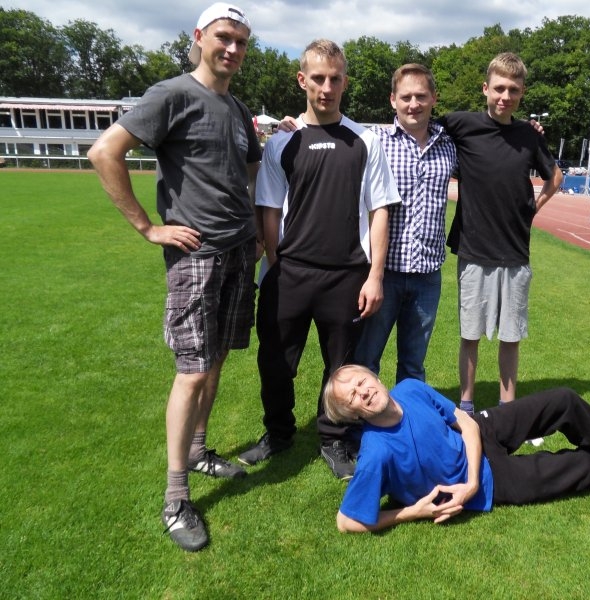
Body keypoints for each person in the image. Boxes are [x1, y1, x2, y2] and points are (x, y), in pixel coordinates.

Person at [87, 3, 261, 552]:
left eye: (241, 41)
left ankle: (199, 449)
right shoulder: (172, 94)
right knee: (191, 371)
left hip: (239, 251)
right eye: (224, 37)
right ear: (200, 36)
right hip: (196, 255)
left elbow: (248, 170)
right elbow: (104, 152)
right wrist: (148, 227)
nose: (232, 48)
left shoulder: (236, 108)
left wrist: (255, 232)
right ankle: (176, 497)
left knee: (217, 358)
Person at [239, 39, 401, 480]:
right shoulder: (282, 143)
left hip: (347, 277)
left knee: (341, 370)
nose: (326, 87)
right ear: (302, 80)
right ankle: (278, 433)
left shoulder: (365, 140)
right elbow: (269, 208)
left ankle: (333, 438)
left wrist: (375, 276)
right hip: (289, 273)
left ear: (345, 82)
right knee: (275, 362)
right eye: (318, 78)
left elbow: (380, 210)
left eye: (334, 79)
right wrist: (277, 267)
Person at [322, 364, 590, 533]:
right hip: (488, 482)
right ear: (353, 414)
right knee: (581, 470)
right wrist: (413, 512)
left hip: (481, 434)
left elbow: (464, 423)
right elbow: (346, 521)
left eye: (361, 381)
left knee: (563, 400)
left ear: (375, 377)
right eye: (352, 396)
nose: (363, 392)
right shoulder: (376, 453)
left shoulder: (410, 389)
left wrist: (471, 479)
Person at [437, 53, 563, 416]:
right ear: (485, 88)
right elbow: (416, 121)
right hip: (474, 249)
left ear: (522, 93)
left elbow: (555, 176)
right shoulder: (461, 124)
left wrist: (534, 207)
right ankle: (467, 405)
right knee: (470, 335)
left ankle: (508, 409)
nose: (505, 96)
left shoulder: (528, 135)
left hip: (515, 251)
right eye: (499, 88)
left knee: (510, 336)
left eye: (513, 90)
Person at [352, 64, 458, 384]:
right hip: (383, 273)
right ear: (392, 100)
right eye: (406, 97)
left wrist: (525, 128)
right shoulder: (374, 140)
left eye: (421, 96)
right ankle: (362, 416)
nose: (414, 104)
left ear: (434, 98)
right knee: (366, 360)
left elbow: (491, 140)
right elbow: (331, 134)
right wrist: (293, 126)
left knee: (413, 366)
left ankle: (408, 416)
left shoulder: (450, 145)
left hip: (427, 275)